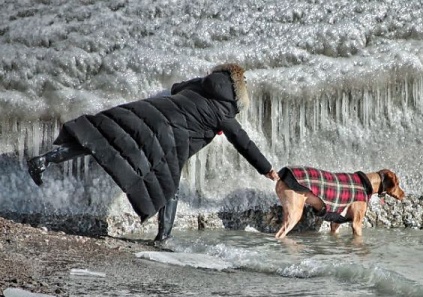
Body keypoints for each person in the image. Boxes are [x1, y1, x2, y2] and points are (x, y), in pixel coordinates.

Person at [27, 63, 279, 242]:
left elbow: (177, 86)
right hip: (169, 138)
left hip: (146, 112)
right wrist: (266, 168)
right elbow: (243, 142)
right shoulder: (223, 112)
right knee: (171, 186)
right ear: (239, 96)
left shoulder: (200, 86)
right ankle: (163, 238)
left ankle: (43, 160)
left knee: (101, 140)